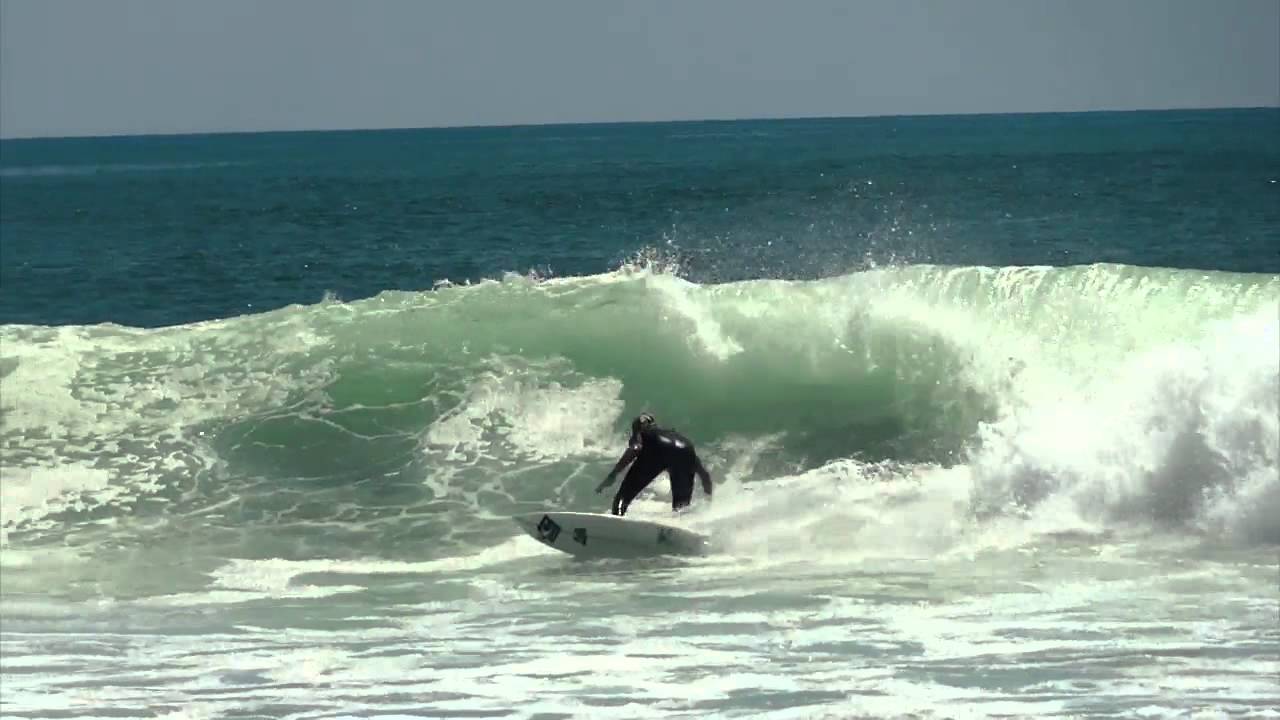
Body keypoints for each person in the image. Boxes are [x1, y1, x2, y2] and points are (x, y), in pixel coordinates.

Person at [595, 413, 712, 516]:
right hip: (686, 451)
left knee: (623, 497)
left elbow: (635, 448)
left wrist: (613, 475)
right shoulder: (678, 438)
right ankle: (676, 529)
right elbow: (704, 475)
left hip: (657, 450)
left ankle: (618, 520)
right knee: (681, 508)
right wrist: (709, 499)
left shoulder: (644, 433)